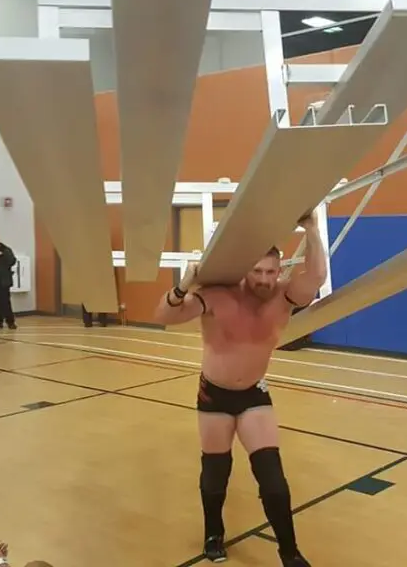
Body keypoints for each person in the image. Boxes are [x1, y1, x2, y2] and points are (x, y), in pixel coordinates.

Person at [153, 211, 325, 566]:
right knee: (216, 473)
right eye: (257, 271)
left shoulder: (285, 295)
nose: (264, 279)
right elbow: (164, 316)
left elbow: (316, 276)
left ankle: (289, 552)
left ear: (279, 270)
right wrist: (184, 284)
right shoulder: (216, 295)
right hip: (214, 395)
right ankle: (213, 532)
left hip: (253, 395)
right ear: (247, 270)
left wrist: (311, 229)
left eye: (270, 272)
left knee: (273, 479)